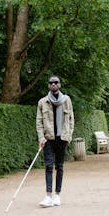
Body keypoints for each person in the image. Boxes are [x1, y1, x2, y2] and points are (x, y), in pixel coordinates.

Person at [36, 75, 74, 207]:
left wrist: (68, 136)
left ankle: (57, 195)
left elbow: (71, 120)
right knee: (48, 166)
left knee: (60, 167)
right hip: (48, 139)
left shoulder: (66, 100)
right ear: (48, 85)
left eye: (56, 82)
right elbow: (39, 122)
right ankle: (48, 196)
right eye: (51, 83)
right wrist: (41, 138)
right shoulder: (42, 102)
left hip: (62, 138)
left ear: (59, 85)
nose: (53, 84)